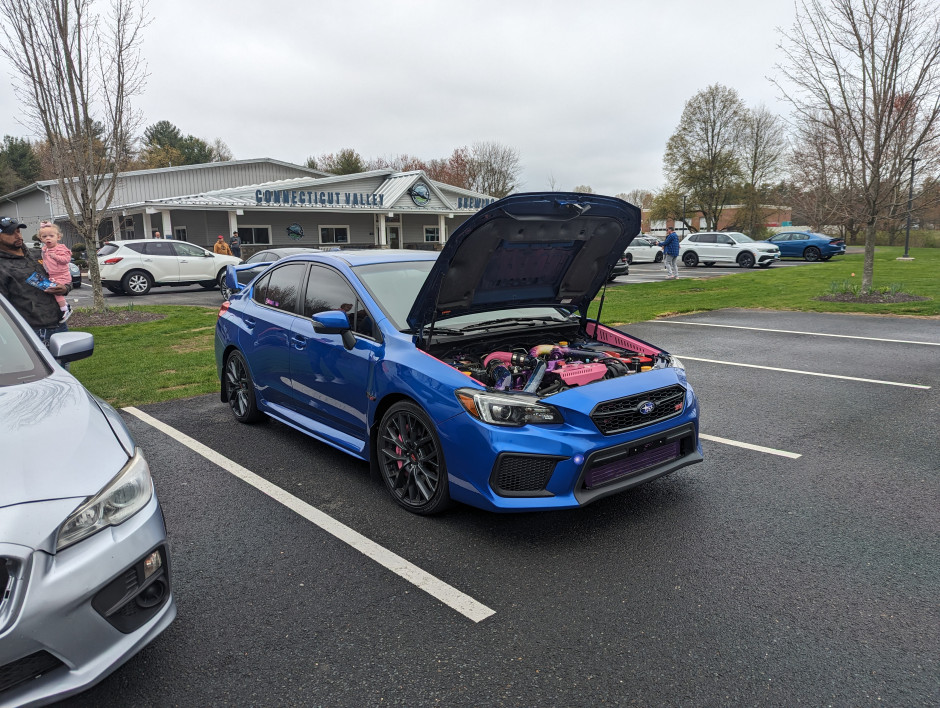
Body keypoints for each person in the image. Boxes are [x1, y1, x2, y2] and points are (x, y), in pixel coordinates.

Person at [0, 216, 72, 345]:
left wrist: (65, 287)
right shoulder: (2, 266)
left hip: (59, 324)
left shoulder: (39, 254)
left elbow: (63, 273)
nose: (18, 236)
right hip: (32, 331)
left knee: (62, 365)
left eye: (18, 231)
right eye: (10, 233)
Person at [37, 221, 73, 323]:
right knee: (49, 291)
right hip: (51, 275)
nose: (48, 238)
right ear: (41, 239)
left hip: (62, 275)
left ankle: (65, 309)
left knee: (56, 292)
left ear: (58, 237)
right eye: (44, 236)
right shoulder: (44, 249)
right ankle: (63, 307)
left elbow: (66, 260)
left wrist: (55, 256)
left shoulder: (61, 248)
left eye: (51, 236)